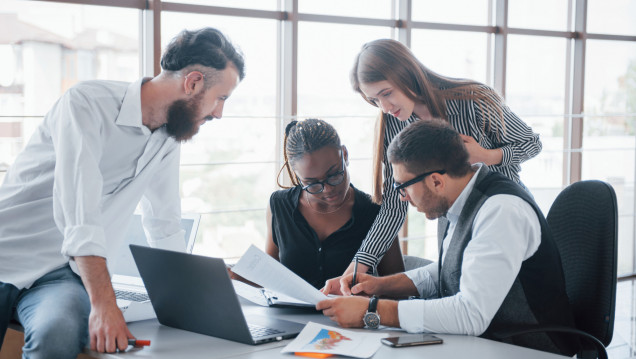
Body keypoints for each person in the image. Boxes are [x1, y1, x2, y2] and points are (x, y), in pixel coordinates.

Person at [0, 27, 244, 357]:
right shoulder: (86, 104)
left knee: (57, 333)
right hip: (7, 253)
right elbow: (79, 213)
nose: (219, 113)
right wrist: (104, 304)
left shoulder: (169, 140)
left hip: (64, 274)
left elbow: (164, 225)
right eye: (221, 98)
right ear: (194, 82)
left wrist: (192, 300)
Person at [316, 119, 578, 356]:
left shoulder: (501, 211)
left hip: (530, 348)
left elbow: (470, 315)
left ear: (436, 181)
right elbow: (448, 270)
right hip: (489, 340)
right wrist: (378, 286)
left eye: (402, 187)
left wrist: (370, 311)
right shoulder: (458, 197)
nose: (402, 197)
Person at [323, 38, 543, 292]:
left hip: (503, 215)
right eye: (374, 100)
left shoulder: (473, 100)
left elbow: (531, 143)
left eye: (386, 93)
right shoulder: (392, 123)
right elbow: (394, 207)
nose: (384, 107)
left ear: (406, 74)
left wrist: (484, 155)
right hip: (452, 222)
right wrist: (356, 269)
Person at [262, 119, 404, 289]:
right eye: (312, 183)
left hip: (351, 315)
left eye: (334, 175)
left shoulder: (375, 211)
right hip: (285, 315)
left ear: (344, 154)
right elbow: (267, 275)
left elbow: (398, 289)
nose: (327, 189)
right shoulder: (279, 205)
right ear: (297, 175)